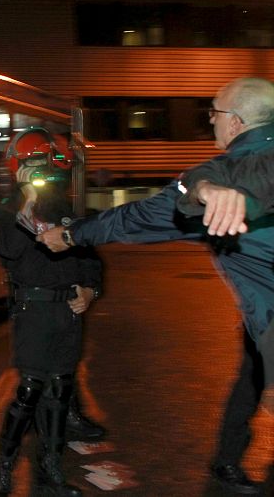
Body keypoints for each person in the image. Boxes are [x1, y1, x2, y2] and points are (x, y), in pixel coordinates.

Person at [37, 76, 274, 495]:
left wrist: (72, 235)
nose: (210, 123)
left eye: (213, 114)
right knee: (249, 378)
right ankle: (226, 461)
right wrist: (202, 185)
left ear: (235, 123)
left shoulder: (229, 174)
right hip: (261, 330)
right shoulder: (221, 174)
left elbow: (139, 218)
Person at [0, 128, 103, 496]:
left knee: (60, 391)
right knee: (31, 390)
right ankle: (2, 465)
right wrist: (28, 199)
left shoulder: (64, 209)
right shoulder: (6, 211)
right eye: (33, 164)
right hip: (33, 309)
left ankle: (50, 470)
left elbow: (89, 257)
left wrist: (90, 289)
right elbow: (10, 249)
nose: (41, 171)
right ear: (18, 166)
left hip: (67, 311)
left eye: (45, 164)